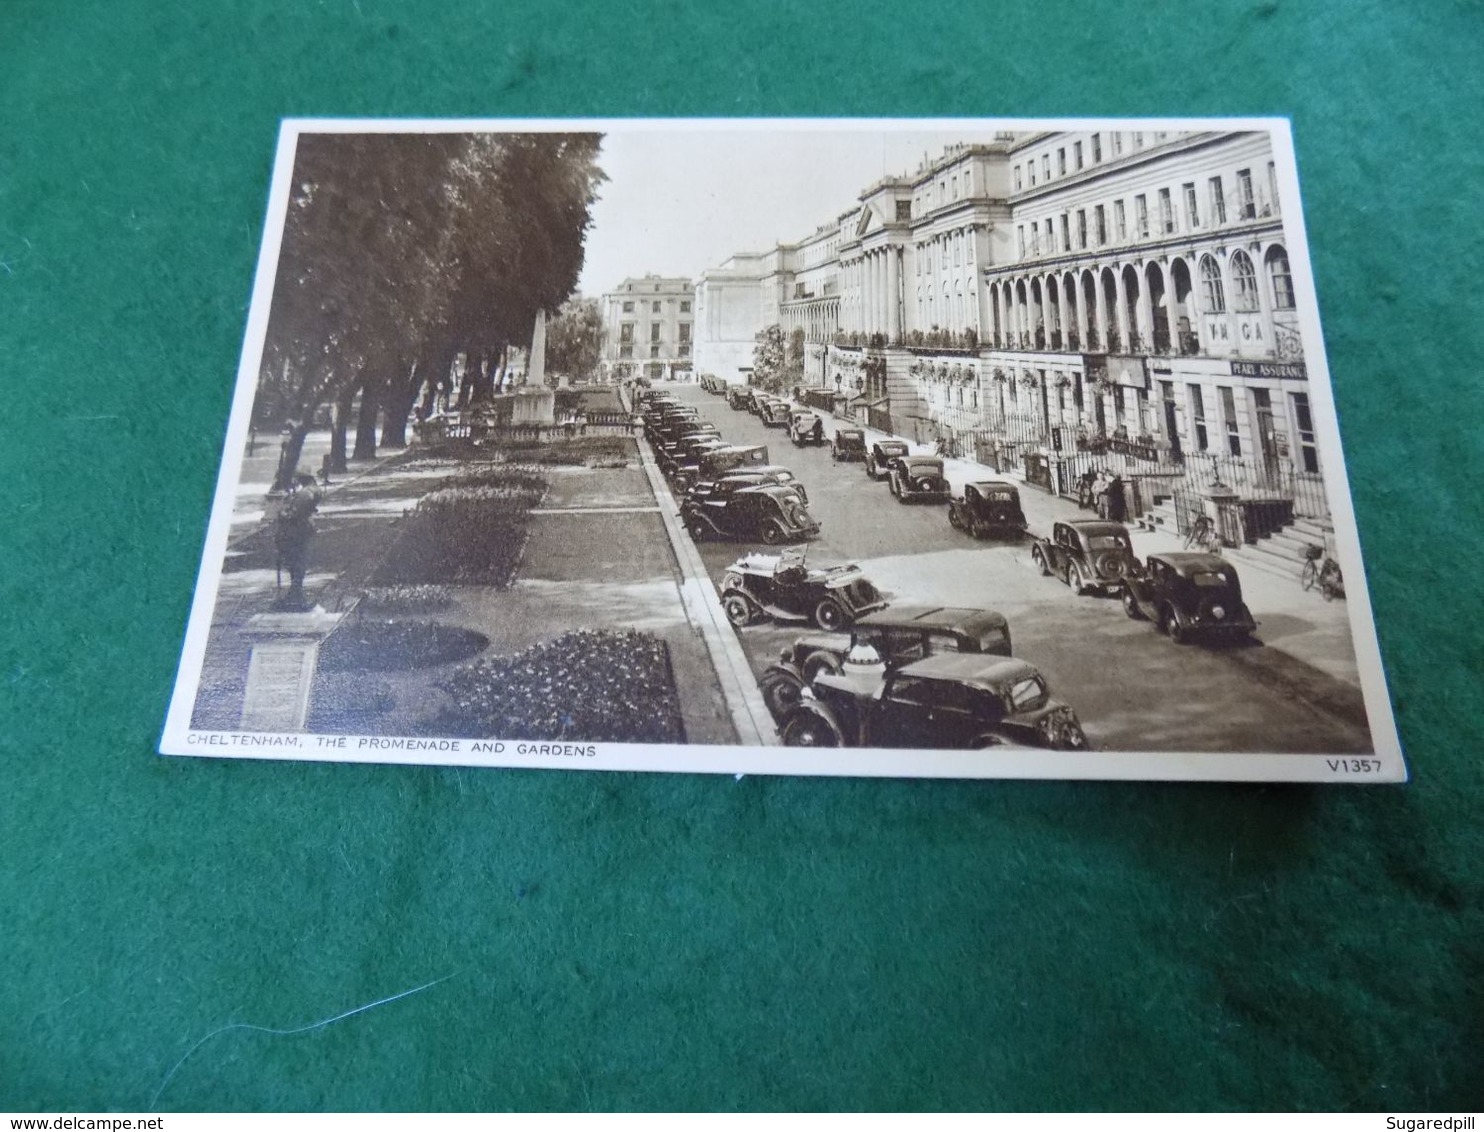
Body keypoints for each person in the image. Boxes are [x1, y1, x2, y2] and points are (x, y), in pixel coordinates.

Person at [274, 473, 321, 609]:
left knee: (295, 563)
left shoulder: (304, 494)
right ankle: (295, 592)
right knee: (299, 563)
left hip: (295, 532)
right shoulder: (311, 491)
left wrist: (282, 513)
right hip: (303, 531)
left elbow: (293, 514)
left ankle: (295, 594)